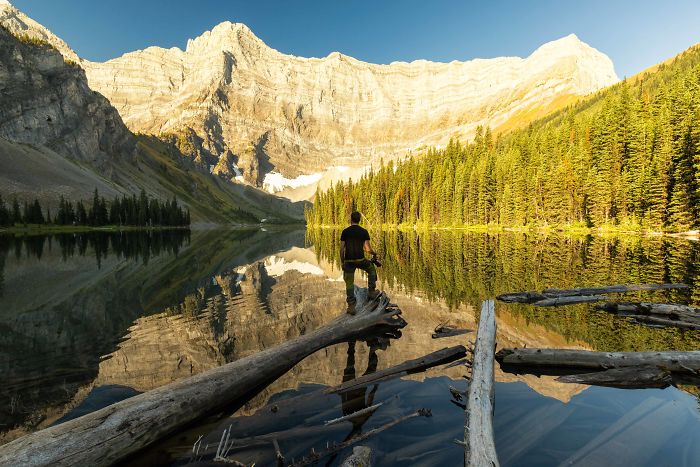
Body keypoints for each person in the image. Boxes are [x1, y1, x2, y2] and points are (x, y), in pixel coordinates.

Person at [340, 211, 379, 314]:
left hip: (348, 261)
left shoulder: (345, 232)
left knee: (349, 283)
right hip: (360, 260)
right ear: (359, 220)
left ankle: (351, 306)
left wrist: (342, 262)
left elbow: (342, 249)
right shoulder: (364, 231)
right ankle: (371, 291)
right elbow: (367, 249)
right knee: (371, 268)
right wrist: (374, 253)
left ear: (351, 219)